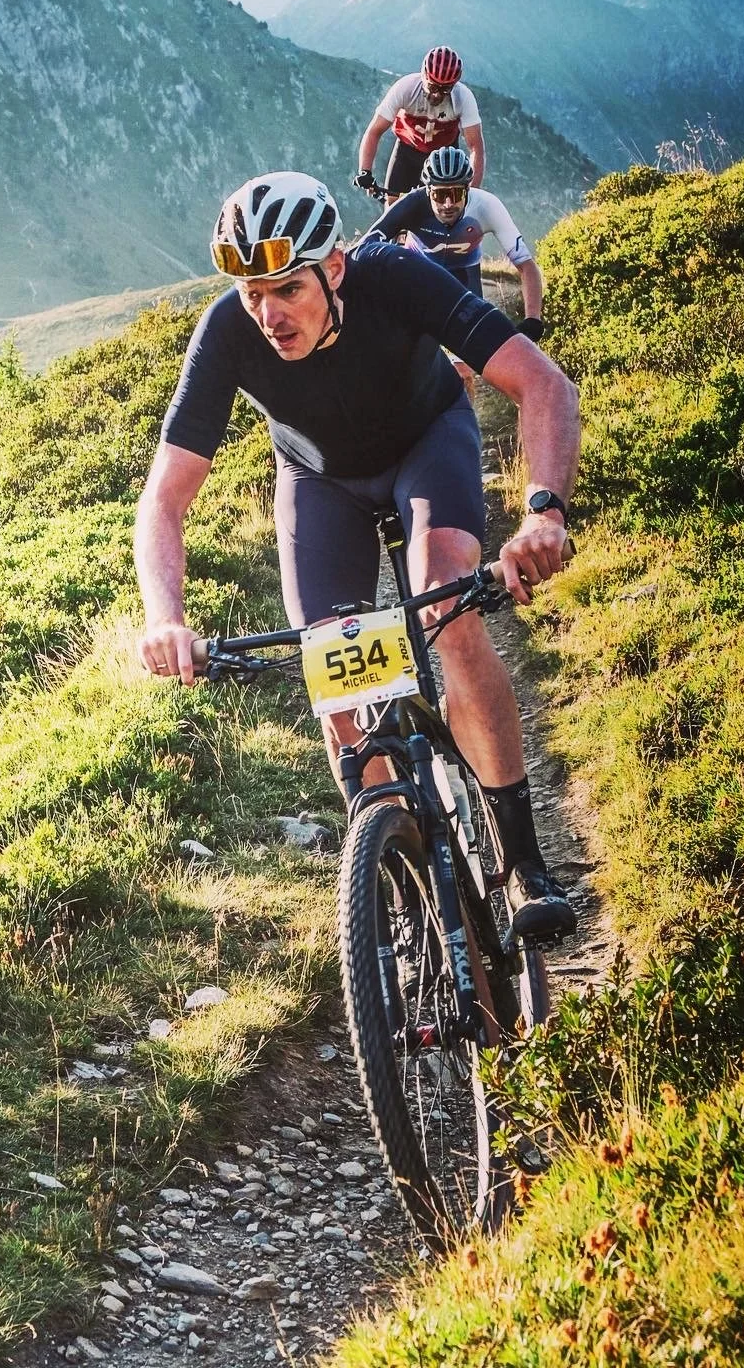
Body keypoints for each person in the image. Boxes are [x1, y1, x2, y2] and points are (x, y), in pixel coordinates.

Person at [134, 170, 579, 940]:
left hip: (426, 444)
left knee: (445, 602)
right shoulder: (227, 330)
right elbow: (164, 500)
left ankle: (522, 863)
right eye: (251, 293)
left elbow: (543, 387)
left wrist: (543, 511)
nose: (268, 314)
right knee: (336, 675)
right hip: (320, 481)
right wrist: (164, 618)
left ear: (332, 269)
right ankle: (403, 888)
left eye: (286, 290)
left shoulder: (396, 278)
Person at [363, 145, 546, 341]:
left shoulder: (487, 206)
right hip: (416, 272)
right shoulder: (412, 203)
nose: (448, 203)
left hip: (464, 275)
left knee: (470, 351)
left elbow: (526, 265)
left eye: (456, 194)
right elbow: (366, 246)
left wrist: (533, 319)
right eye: (440, 195)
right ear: (428, 192)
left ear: (468, 189)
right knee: (406, 343)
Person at [354, 46, 484, 206]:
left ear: (454, 85)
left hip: (444, 159)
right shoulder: (405, 88)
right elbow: (375, 131)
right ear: (423, 76)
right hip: (406, 152)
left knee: (444, 216)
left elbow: (476, 147)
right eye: (433, 87)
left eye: (445, 89)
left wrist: (472, 192)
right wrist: (365, 171)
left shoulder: (463, 97)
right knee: (393, 210)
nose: (437, 94)